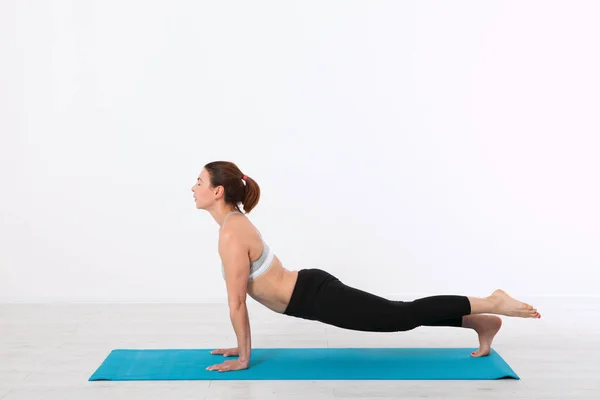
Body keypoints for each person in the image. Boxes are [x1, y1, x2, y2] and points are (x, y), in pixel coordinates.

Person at [192, 161, 541, 373]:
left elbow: (237, 302)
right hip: (310, 292)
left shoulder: (231, 235)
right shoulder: (232, 226)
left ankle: (492, 302)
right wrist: (241, 345)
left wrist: (244, 357)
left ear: (218, 191)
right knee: (398, 313)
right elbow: (243, 298)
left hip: (314, 297)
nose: (194, 188)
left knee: (398, 317)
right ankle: (480, 321)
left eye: (200, 182)